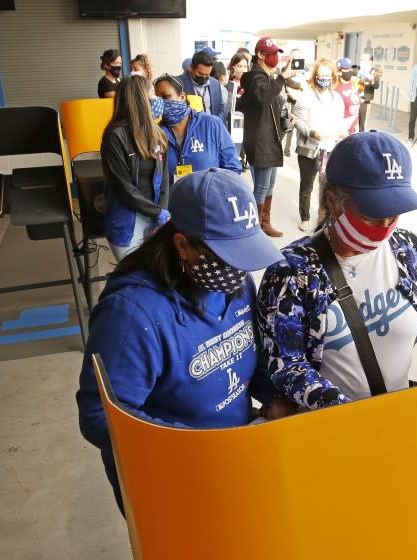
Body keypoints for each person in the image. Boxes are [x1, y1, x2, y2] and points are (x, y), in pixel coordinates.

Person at [76, 168, 283, 515]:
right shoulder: (132, 315)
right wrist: (200, 448)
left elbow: (250, 357)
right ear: (183, 245)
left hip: (235, 457)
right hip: (171, 474)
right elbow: (101, 416)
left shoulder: (233, 282)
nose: (239, 269)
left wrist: (277, 399)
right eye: (227, 256)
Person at [252, 132, 417, 413]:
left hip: (395, 415)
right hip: (329, 428)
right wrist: (349, 413)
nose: (385, 223)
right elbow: (287, 365)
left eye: (395, 211)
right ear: (333, 200)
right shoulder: (291, 274)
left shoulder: (410, 251)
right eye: (373, 212)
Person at [100, 75, 170, 261]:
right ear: (139, 99)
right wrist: (158, 212)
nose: (157, 100)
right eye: (153, 94)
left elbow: (164, 179)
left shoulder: (158, 134)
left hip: (155, 217)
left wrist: (161, 214)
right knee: (133, 277)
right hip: (129, 221)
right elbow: (124, 188)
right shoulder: (115, 136)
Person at [239, 37, 294, 238]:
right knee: (261, 187)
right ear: (261, 54)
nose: (275, 57)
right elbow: (263, 97)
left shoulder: (263, 75)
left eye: (277, 53)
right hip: (261, 141)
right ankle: (255, 227)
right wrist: (281, 78)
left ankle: (265, 222)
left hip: (268, 140)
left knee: (268, 185)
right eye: (271, 53)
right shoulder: (256, 77)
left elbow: (271, 102)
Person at [154, 74, 241, 184]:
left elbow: (232, 167)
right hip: (173, 200)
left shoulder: (211, 124)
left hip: (209, 199)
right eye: (157, 99)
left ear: (182, 97)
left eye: (166, 97)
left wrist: (217, 193)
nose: (161, 103)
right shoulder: (156, 133)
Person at [292, 58, 346, 232]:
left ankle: (323, 217)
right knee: (307, 184)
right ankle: (305, 217)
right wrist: (311, 132)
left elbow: (340, 120)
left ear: (333, 77)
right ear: (315, 76)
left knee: (327, 186)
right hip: (310, 147)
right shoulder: (306, 96)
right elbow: (297, 120)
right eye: (321, 75)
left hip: (330, 147)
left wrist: (340, 131)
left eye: (328, 75)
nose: (324, 79)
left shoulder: (336, 97)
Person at [178, 50, 228, 123]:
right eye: (200, 74)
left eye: (207, 74)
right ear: (191, 67)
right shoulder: (179, 83)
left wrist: (216, 121)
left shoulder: (215, 83)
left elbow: (221, 107)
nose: (204, 77)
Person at [335, 57, 362, 135]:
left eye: (351, 68)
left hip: (354, 131)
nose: (350, 71)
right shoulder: (335, 89)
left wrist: (357, 127)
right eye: (347, 69)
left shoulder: (353, 85)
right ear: (339, 72)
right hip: (343, 133)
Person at [357, 54, 381, 132]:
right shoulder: (357, 70)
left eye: (363, 60)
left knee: (362, 124)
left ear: (370, 62)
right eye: (361, 60)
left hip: (365, 100)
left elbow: (377, 85)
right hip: (355, 98)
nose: (361, 62)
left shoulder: (374, 72)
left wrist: (372, 80)